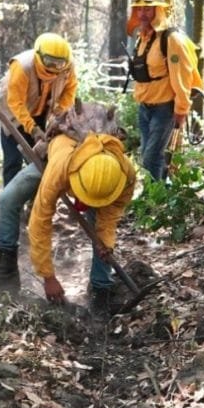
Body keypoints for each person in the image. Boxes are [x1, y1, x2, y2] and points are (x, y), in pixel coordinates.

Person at [28, 131, 136, 311]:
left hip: (94, 182)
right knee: (9, 199)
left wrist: (106, 243)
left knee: (102, 239)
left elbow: (110, 217)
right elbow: (39, 221)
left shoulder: (126, 177)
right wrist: (48, 277)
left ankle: (100, 289)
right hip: (53, 158)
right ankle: (6, 265)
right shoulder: (59, 170)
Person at [127, 0, 201, 181]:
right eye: (140, 9)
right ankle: (160, 199)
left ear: (158, 10)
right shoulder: (142, 38)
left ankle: (153, 203)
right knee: (150, 156)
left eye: (148, 9)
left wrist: (181, 111)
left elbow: (182, 78)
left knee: (151, 159)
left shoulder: (172, 39)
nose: (143, 14)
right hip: (145, 108)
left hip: (165, 110)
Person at [0, 32, 78, 187]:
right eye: (50, 63)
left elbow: (70, 91)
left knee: (40, 159)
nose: (54, 68)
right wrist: (32, 129)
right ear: (39, 55)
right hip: (11, 114)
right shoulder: (22, 66)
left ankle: (36, 201)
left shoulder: (68, 67)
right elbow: (15, 102)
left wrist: (58, 112)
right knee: (13, 160)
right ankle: (11, 205)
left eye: (59, 64)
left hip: (41, 113)